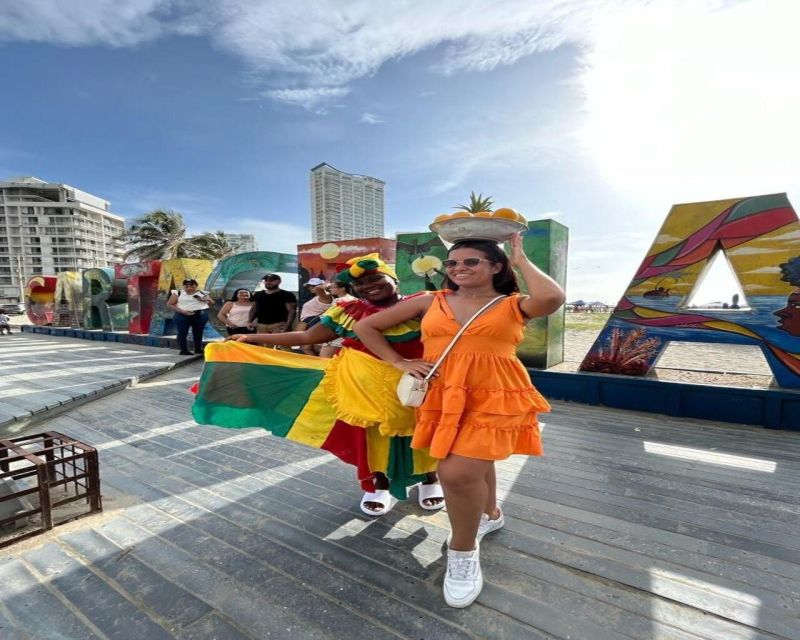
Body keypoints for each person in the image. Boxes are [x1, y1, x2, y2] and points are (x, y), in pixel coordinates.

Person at [355, 234, 565, 608]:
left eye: (471, 262)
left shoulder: (512, 304)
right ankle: (491, 513)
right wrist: (399, 362)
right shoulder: (429, 301)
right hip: (442, 392)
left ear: (495, 266)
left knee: (457, 474)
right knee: (473, 461)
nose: (459, 268)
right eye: (453, 263)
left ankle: (462, 552)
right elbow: (365, 328)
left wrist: (521, 259)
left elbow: (552, 298)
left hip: (495, 393)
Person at [226, 254, 443, 515]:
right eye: (360, 284)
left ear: (394, 279)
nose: (368, 286)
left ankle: (431, 479)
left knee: (425, 429)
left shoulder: (425, 303)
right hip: (363, 386)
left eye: (375, 279)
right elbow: (307, 335)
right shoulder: (349, 310)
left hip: (418, 381)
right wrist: (251, 339)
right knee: (370, 436)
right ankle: (378, 486)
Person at [167, 279, 214, 356]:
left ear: (196, 285)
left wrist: (205, 299)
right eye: (187, 285)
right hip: (182, 315)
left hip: (200, 314)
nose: (189, 286)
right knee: (182, 332)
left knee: (198, 332)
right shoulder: (178, 293)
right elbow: (170, 304)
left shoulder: (202, 293)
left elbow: (212, 303)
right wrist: (183, 312)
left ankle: (198, 349)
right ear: (184, 286)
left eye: (192, 284)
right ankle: (183, 350)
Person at [319, 281, 355, 358]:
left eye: (332, 287)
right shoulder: (353, 299)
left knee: (324, 357)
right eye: (330, 288)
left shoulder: (340, 300)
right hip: (345, 332)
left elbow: (330, 318)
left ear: (342, 289)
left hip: (336, 332)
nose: (330, 289)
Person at [298, 278, 333, 355]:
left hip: (316, 324)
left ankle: (320, 365)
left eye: (313, 286)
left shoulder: (325, 297)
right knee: (307, 348)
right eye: (309, 286)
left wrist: (326, 285)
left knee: (317, 348)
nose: (311, 288)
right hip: (310, 325)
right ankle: (316, 364)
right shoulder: (317, 297)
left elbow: (318, 289)